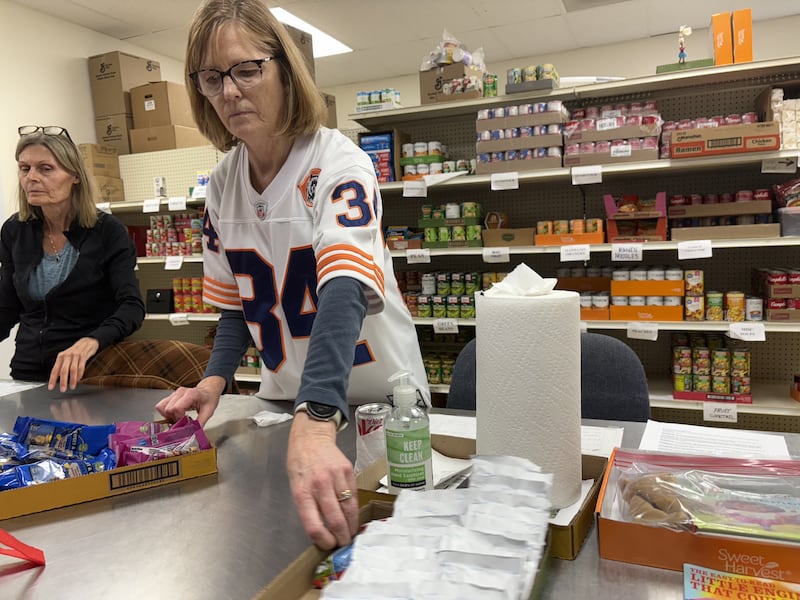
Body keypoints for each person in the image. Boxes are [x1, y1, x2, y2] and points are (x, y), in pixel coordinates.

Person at [155, 0, 429, 551]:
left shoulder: (340, 163)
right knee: (286, 552)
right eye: (212, 78)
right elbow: (237, 303)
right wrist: (214, 378)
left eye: (246, 69)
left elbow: (344, 288)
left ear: (285, 70)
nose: (229, 91)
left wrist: (319, 412)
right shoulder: (222, 185)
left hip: (376, 402)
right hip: (285, 405)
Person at [0, 126, 145, 391]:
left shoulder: (107, 231)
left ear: (75, 176)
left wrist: (91, 341)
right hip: (27, 373)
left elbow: (132, 306)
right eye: (25, 168)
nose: (31, 178)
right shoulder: (14, 231)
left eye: (45, 169)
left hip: (94, 374)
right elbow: (7, 307)